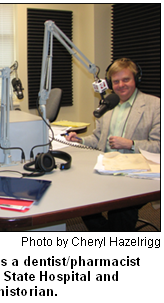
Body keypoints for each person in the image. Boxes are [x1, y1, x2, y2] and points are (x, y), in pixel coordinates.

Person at [66, 58, 160, 231]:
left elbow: (159, 146)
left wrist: (131, 144)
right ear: (110, 84)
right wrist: (81, 140)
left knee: (121, 209)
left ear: (136, 79)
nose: (121, 85)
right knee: (81, 197)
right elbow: (97, 139)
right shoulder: (108, 106)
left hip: (136, 173)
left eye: (126, 79)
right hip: (106, 168)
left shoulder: (155, 106)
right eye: (116, 81)